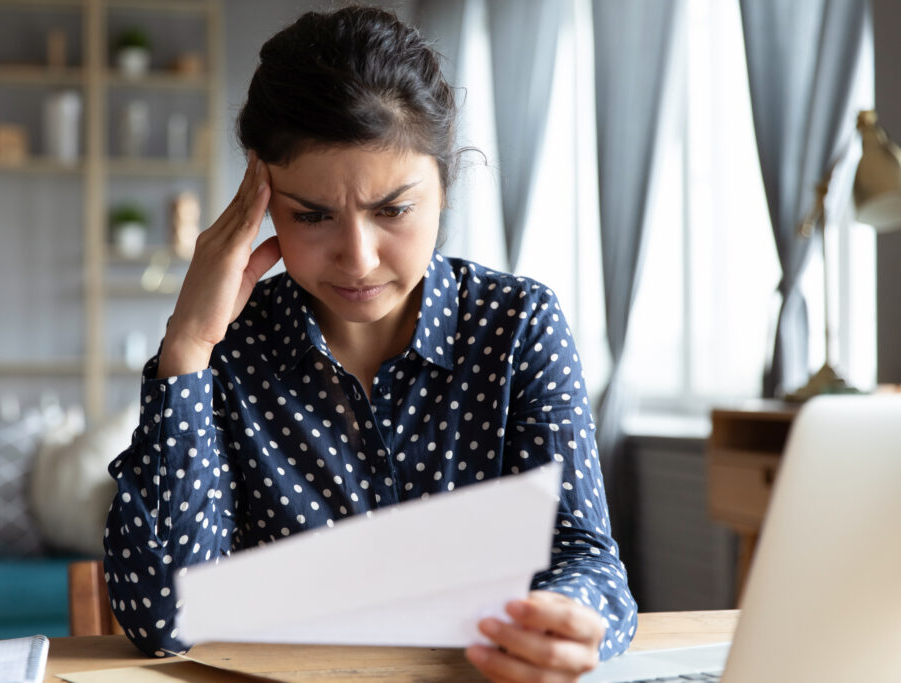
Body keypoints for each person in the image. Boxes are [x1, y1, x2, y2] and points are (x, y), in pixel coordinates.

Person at [103, 6, 637, 681]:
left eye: (392, 210)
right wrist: (186, 347)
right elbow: (162, 621)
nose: (357, 258)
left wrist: (564, 616)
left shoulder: (518, 325)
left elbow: (588, 556)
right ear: (261, 201)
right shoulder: (228, 351)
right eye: (313, 215)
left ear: (444, 184)